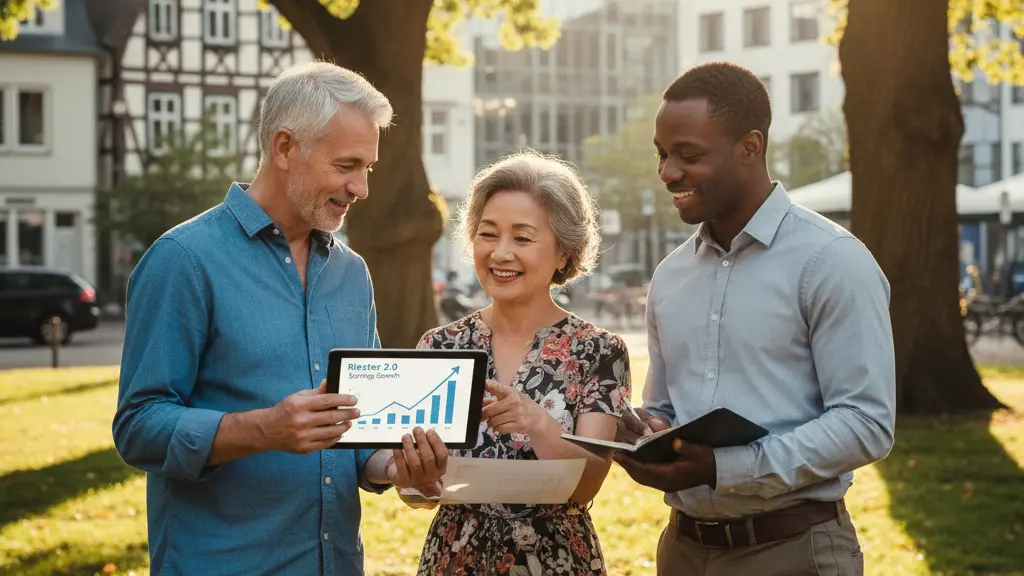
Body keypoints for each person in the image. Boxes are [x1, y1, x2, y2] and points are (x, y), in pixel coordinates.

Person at [112, 61, 448, 575]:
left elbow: (363, 429)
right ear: (285, 148)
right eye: (346, 165)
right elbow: (138, 427)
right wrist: (263, 429)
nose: (361, 188)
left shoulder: (351, 274)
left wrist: (399, 466)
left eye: (368, 168)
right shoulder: (183, 259)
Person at [615, 62, 896, 575]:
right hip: (681, 551)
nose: (666, 172)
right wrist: (649, 434)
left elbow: (866, 424)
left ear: (750, 147)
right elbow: (662, 405)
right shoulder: (670, 277)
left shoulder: (832, 262)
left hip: (793, 552)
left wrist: (729, 468)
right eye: (661, 154)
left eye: (688, 155)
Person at [413, 150, 632, 575]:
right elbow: (421, 490)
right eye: (488, 234)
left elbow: (587, 485)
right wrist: (419, 477)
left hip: (556, 559)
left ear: (564, 253)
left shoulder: (600, 351)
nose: (500, 253)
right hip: (454, 557)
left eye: (523, 238)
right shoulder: (442, 344)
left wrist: (537, 423)